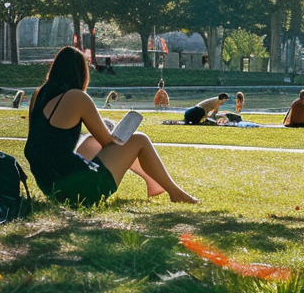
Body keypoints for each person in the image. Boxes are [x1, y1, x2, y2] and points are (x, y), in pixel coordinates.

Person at [25, 47, 197, 206]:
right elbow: (107, 142)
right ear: (81, 73)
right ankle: (176, 193)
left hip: (51, 185)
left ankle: (153, 184)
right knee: (139, 140)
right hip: (79, 191)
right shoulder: (77, 97)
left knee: (92, 140)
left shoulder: (38, 96)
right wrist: (115, 133)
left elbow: (47, 140)